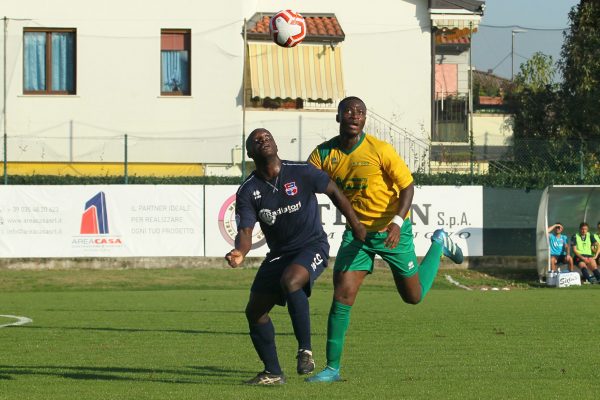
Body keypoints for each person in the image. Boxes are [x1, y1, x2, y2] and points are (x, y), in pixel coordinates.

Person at [305, 96, 464, 383]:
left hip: (392, 231)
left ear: (365, 119)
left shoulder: (379, 150)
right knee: (342, 293)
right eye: (349, 111)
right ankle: (331, 368)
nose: (354, 115)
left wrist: (396, 223)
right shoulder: (323, 154)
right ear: (338, 116)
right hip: (357, 234)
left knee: (413, 297)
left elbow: (407, 186)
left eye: (360, 112)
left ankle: (438, 242)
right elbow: (306, 182)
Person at [225, 128, 366, 385]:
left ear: (276, 143)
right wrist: (240, 251)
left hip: (312, 245)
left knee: (291, 281)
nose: (264, 140)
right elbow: (246, 230)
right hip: (279, 254)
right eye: (257, 139)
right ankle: (273, 372)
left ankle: (305, 351)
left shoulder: (300, 171)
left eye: (267, 136)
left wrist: (355, 224)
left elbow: (333, 190)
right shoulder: (248, 190)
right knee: (255, 312)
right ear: (249, 153)